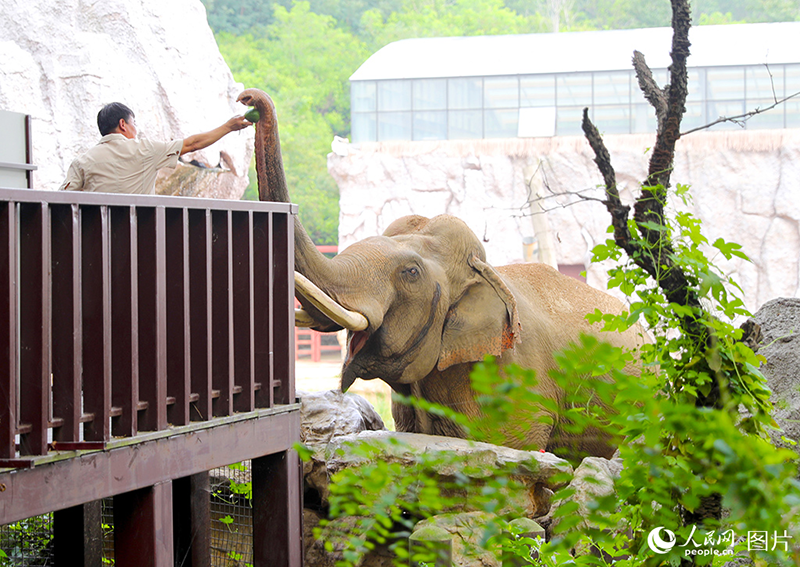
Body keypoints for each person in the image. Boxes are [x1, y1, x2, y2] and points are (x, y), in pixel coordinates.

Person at [58, 102, 252, 194]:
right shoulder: (145, 149)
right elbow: (192, 143)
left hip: (96, 239)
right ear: (123, 124)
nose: (136, 128)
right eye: (134, 123)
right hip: (140, 235)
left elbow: (62, 199)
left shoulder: (82, 162)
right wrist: (229, 127)